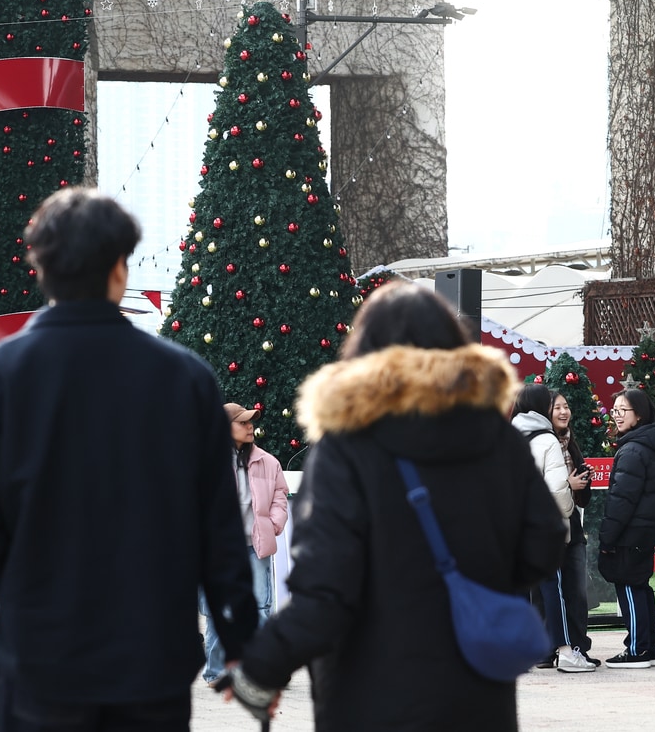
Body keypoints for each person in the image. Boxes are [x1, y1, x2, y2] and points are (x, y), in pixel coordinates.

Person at [0, 187, 258, 731]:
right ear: (119, 268)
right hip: (151, 651)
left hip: (36, 654)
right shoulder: (184, 381)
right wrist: (240, 638)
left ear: (40, 268)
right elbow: (220, 527)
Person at [232, 282, 565, 730]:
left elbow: (326, 588)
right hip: (475, 690)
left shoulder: (346, 449)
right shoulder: (496, 441)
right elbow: (544, 542)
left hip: (368, 693)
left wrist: (261, 669)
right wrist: (479, 581)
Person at [200, 402, 292, 685]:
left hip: (256, 545)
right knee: (222, 611)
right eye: (242, 422)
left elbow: (280, 494)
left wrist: (273, 523)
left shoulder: (268, 461)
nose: (250, 426)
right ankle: (217, 672)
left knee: (261, 608)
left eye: (251, 422)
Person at [511, 384, 589, 672]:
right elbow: (557, 491)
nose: (558, 409)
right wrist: (568, 510)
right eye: (551, 404)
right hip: (544, 528)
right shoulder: (547, 440)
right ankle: (567, 651)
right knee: (553, 589)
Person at [598, 387, 655, 668]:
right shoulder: (647, 445)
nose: (616, 416)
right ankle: (648, 646)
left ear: (639, 414)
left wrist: (607, 537)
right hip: (644, 530)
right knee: (640, 586)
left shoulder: (632, 450)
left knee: (628, 584)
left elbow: (621, 501)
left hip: (630, 533)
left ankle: (638, 649)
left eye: (622, 411)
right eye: (614, 410)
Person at [543, 388, 597, 672]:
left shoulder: (570, 444)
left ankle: (578, 647)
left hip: (572, 522)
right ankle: (551, 649)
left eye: (566, 406)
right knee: (551, 589)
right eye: (557, 408)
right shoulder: (544, 443)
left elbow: (581, 498)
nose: (564, 412)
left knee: (576, 589)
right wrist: (568, 485)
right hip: (550, 523)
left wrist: (581, 484)